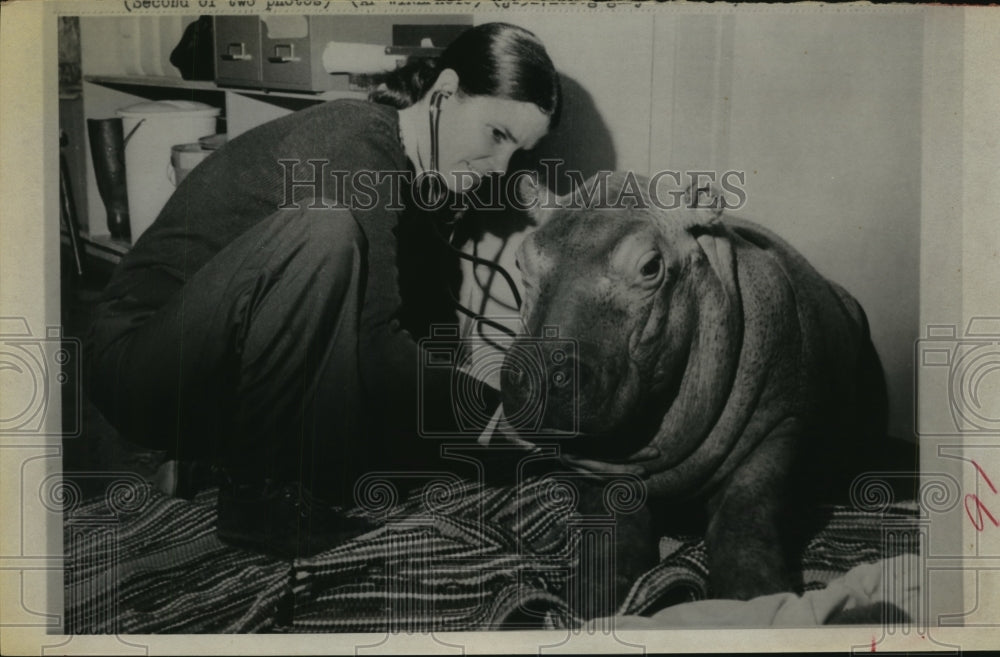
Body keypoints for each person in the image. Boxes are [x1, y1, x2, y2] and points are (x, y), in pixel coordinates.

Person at [85, 22, 561, 557]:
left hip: (215, 374)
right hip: (140, 360)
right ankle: (259, 503)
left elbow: (405, 353)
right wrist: (501, 418)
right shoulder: (355, 140)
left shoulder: (416, 183)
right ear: (444, 93)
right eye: (497, 135)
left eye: (517, 153)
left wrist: (497, 438)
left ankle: (210, 465)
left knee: (391, 455)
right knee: (326, 229)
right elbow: (378, 349)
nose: (500, 168)